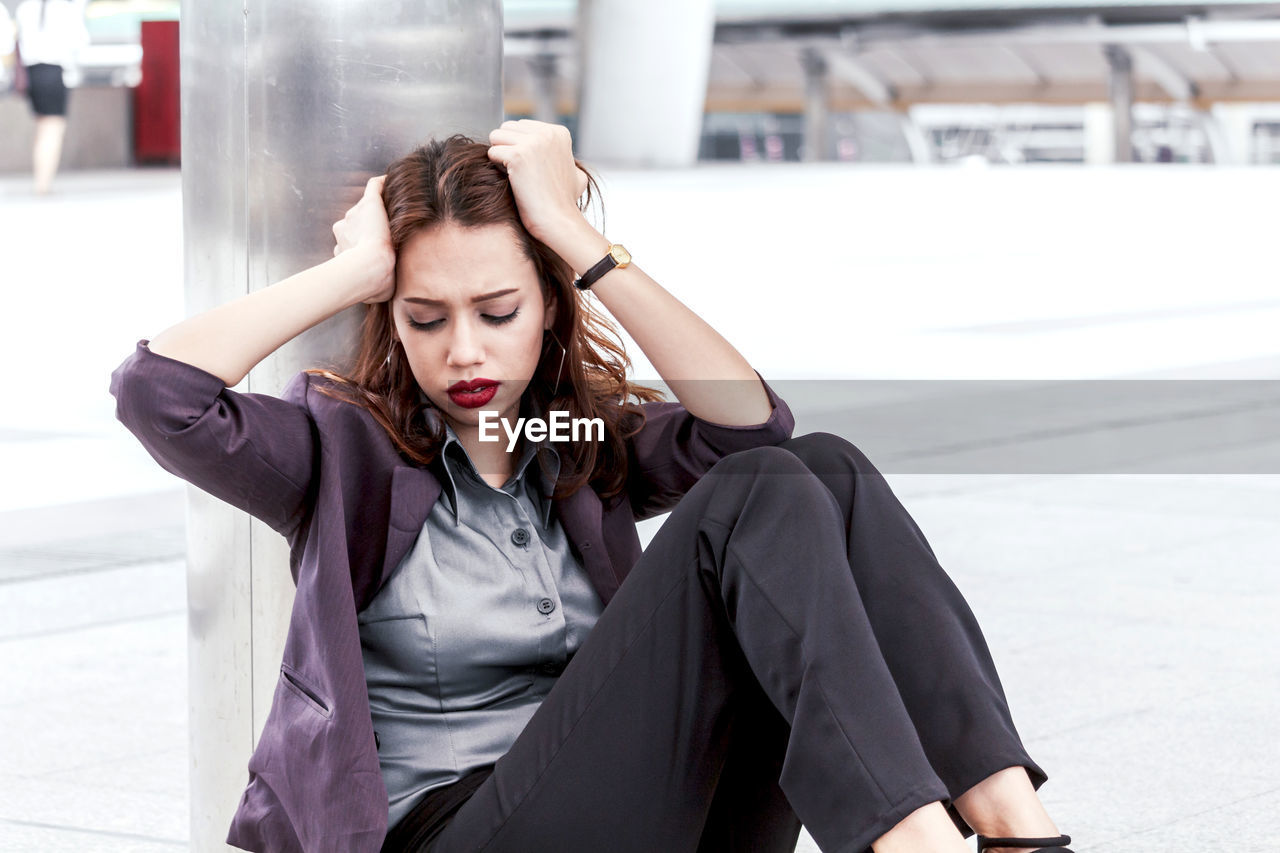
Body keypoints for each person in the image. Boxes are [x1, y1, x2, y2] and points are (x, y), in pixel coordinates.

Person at [110, 120, 1073, 853]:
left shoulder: (577, 438)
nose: (466, 351)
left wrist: (577, 236)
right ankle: (911, 835)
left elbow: (752, 426)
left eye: (497, 310)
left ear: (547, 303)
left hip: (623, 806)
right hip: (452, 831)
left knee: (820, 467)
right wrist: (353, 268)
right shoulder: (344, 447)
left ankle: (1009, 821)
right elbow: (160, 395)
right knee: (763, 490)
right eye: (425, 317)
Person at [13, 0, 89, 195]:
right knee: (53, 130)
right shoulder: (64, 8)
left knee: (42, 128)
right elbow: (79, 41)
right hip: (54, 72)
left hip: (32, 74)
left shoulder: (25, 8)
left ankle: (41, 179)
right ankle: (43, 184)